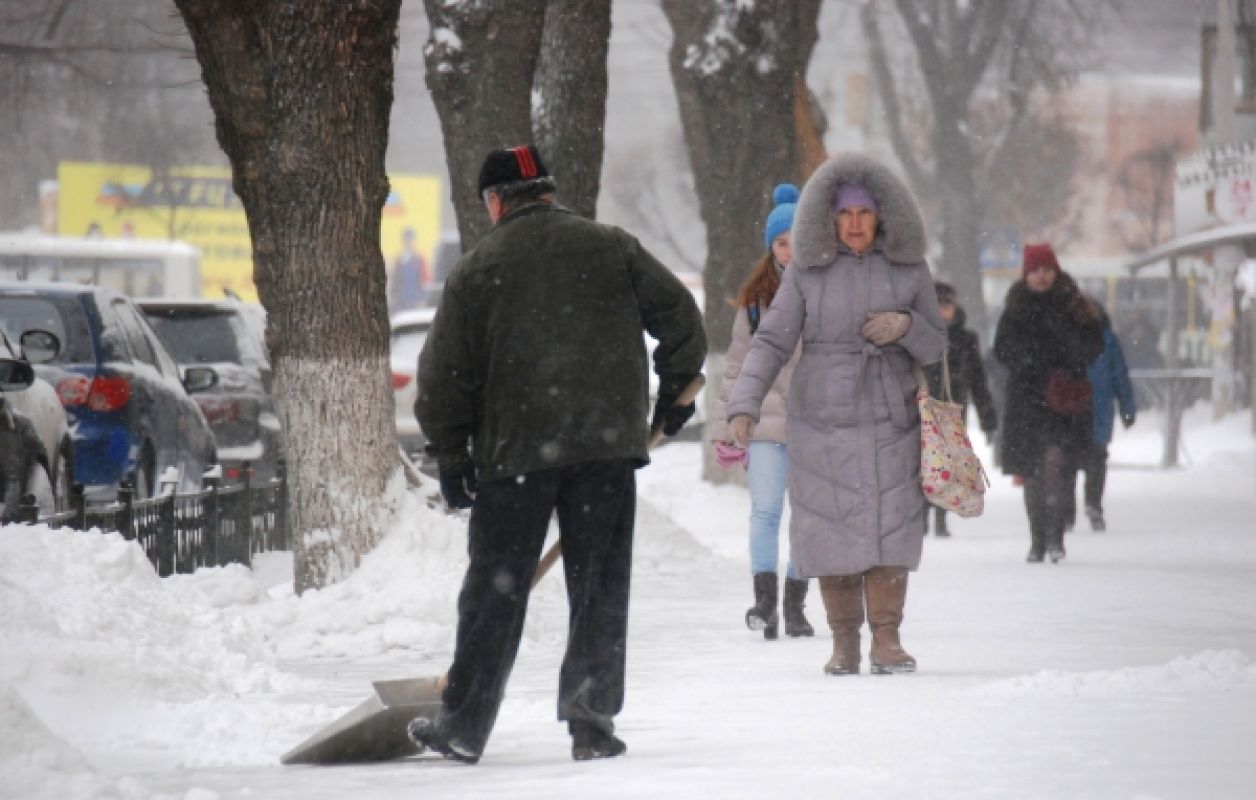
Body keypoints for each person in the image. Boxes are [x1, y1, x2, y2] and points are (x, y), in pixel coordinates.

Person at [410, 145, 706, 764]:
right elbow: (681, 317)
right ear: (547, 190)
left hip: (514, 455)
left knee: (495, 591)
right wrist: (674, 394)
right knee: (599, 588)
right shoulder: (612, 246)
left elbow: (442, 375)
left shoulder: (478, 267)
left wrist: (452, 455)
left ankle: (463, 724)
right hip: (605, 451)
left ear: (496, 202)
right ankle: (591, 725)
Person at [726, 152, 945, 677]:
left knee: (893, 524)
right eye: (845, 213)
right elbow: (770, 342)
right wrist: (743, 406)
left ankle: (887, 639)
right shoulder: (807, 270)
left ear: (881, 215)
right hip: (821, 415)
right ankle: (844, 641)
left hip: (892, 415)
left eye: (864, 213)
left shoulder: (910, 268)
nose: (854, 224)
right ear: (830, 217)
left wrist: (905, 326)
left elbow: (938, 344)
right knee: (828, 527)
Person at [712, 183, 813, 640]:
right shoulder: (754, 303)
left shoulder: (826, 294)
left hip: (813, 425)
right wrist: (726, 424)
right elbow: (736, 367)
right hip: (766, 426)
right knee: (766, 513)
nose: (790, 251)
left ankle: (796, 604)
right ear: (771, 246)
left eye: (797, 240)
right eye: (781, 242)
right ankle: (766, 603)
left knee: (809, 516)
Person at [993, 243, 1103, 564]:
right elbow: (1002, 349)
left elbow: (1093, 343)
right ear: (1026, 274)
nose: (1041, 277)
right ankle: (1037, 539)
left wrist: (1066, 361)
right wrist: (1028, 361)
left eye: (1046, 270)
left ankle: (1055, 536)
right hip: (1026, 400)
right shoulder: (1015, 307)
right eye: (1035, 271)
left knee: (1058, 463)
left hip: (1064, 400)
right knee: (1033, 470)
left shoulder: (1073, 304)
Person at [924, 282, 998, 537]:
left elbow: (978, 381)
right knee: (923, 464)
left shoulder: (966, 339)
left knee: (948, 465)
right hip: (923, 409)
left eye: (947, 304)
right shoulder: (919, 337)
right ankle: (922, 516)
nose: (943, 310)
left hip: (953, 411)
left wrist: (987, 418)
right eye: (937, 304)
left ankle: (941, 516)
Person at [1066, 299, 1136, 532]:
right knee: (1090, 459)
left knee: (1077, 461)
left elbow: (1119, 375)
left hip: (1085, 408)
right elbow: (1119, 375)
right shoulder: (1106, 339)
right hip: (1090, 407)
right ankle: (1088, 506)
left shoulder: (1102, 339)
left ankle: (1078, 509)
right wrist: (1127, 406)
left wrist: (1127, 407)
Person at [389, 227, 428, 312]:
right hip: (400, 301)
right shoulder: (398, 259)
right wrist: (394, 297)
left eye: (410, 239)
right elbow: (395, 280)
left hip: (415, 300)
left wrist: (421, 299)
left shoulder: (419, 259)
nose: (408, 242)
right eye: (406, 239)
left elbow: (424, 280)